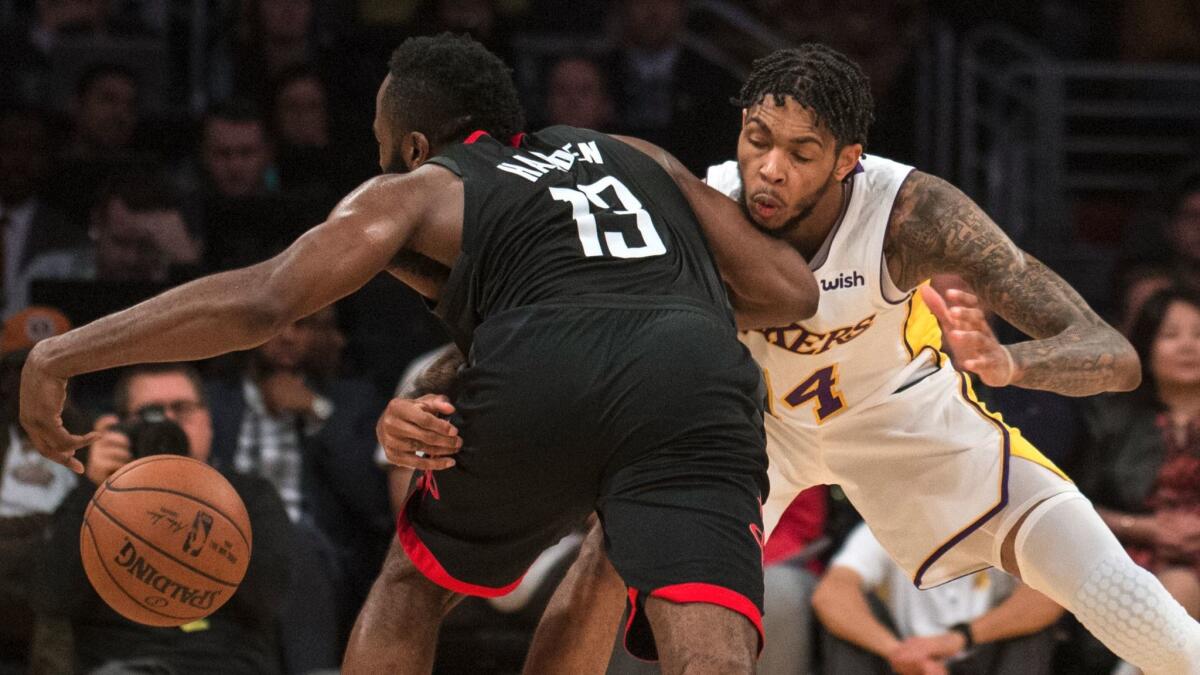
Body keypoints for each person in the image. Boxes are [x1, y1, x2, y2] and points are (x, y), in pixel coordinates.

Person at [377, 44, 1200, 673]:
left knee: (1109, 586)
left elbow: (1113, 354)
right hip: (753, 432)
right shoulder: (697, 204)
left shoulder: (913, 212)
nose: (769, 167)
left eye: (803, 152)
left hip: (903, 414)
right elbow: (564, 323)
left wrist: (1013, 365)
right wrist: (434, 389)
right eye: (758, 138)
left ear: (850, 159)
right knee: (608, 555)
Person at [19, 33, 818, 674]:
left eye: (378, 145)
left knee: (414, 585)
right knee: (698, 628)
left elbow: (263, 299)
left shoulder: (424, 186)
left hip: (548, 368)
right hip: (698, 374)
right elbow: (788, 290)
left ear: (410, 143)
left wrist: (60, 357)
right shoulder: (637, 153)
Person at [34, 363, 293, 675]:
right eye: (151, 414)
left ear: (207, 420)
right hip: (123, 665)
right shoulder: (96, 498)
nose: (169, 422)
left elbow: (268, 600)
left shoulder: (250, 496)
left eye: (182, 409)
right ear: (121, 427)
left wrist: (192, 502)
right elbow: (53, 597)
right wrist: (94, 489)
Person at [1070, 288, 1200, 640]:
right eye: (1171, 335)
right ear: (1145, 346)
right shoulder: (1111, 417)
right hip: (1128, 556)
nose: (1188, 346)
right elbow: (1073, 504)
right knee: (1176, 588)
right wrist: (1146, 528)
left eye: (1199, 334)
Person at [812, 521, 1063, 675]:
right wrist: (897, 651)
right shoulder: (887, 522)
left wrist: (959, 638)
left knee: (1034, 623)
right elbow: (831, 595)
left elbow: (1050, 595)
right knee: (850, 617)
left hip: (982, 656)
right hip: (903, 659)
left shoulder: (1002, 526)